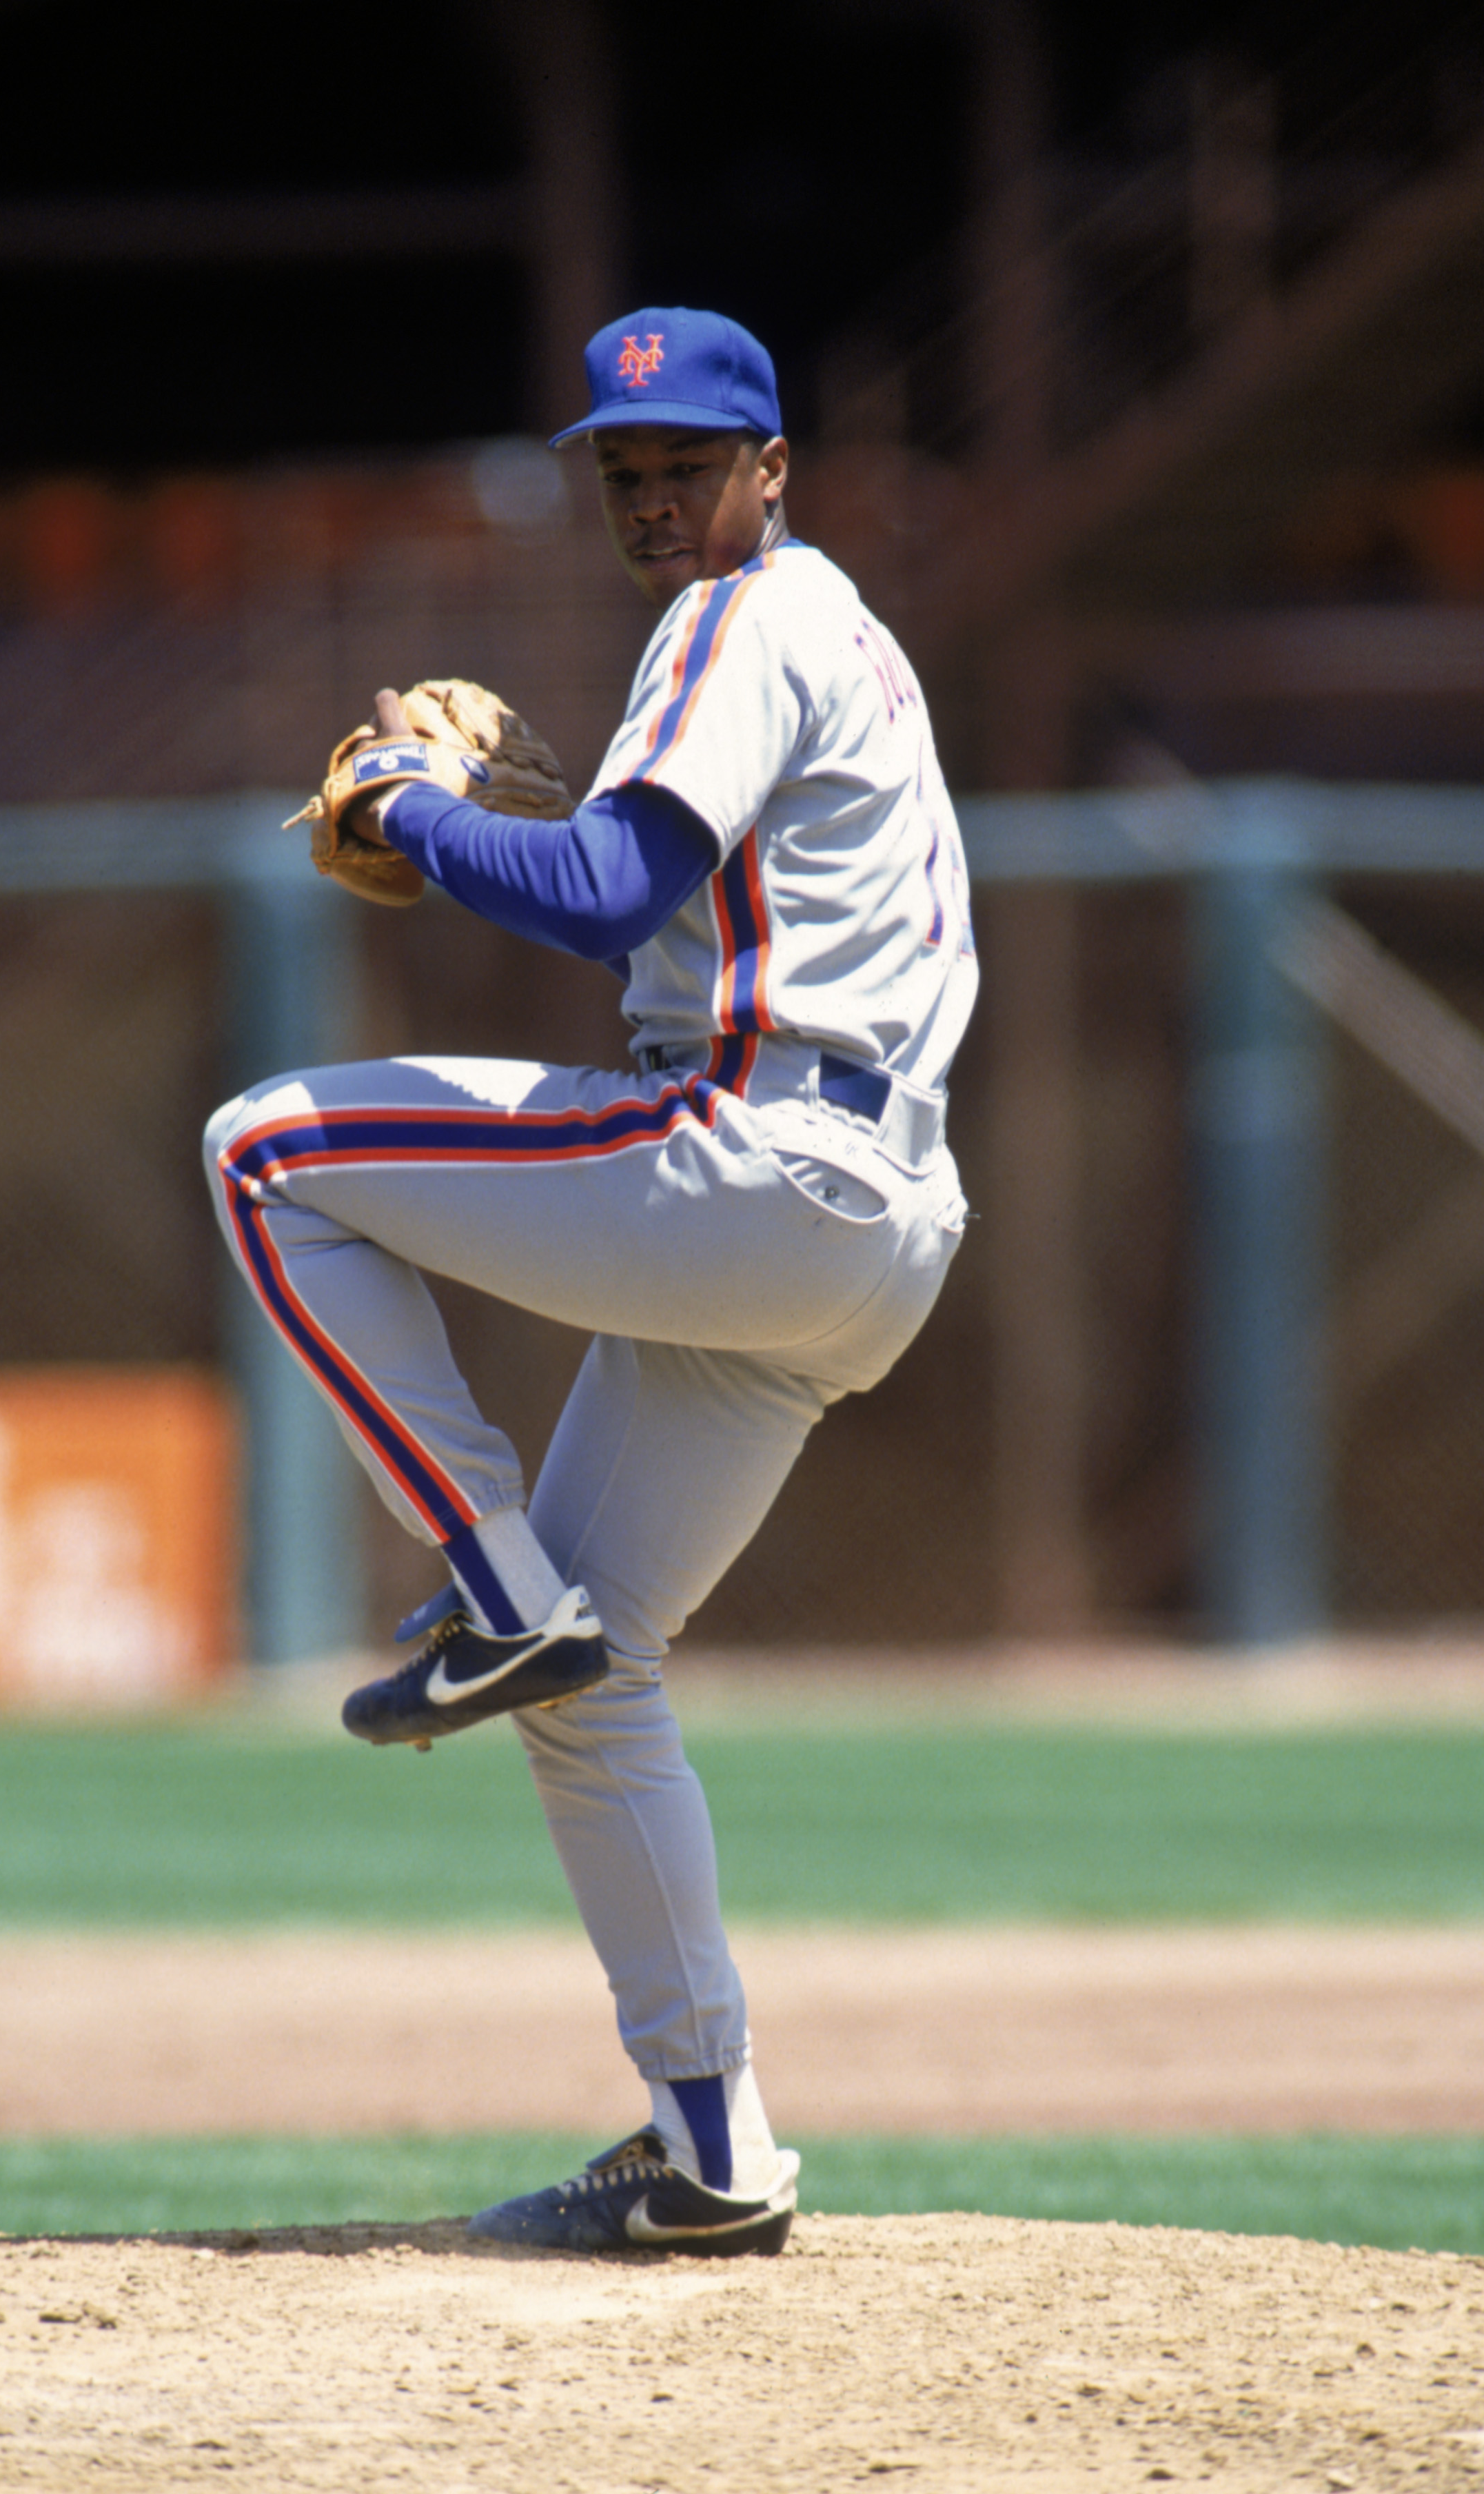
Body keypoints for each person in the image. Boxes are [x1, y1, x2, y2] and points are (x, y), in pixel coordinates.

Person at [204, 306, 977, 2256]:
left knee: (265, 1151)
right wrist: (506, 834)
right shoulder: (850, 639)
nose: (653, 498)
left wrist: (411, 806)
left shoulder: (741, 619)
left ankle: (489, 1578)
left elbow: (604, 894)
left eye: (689, 463)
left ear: (772, 468)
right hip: (872, 1224)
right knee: (594, 1677)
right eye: (624, 470)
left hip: (751, 1154)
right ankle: (711, 2144)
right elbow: (655, 889)